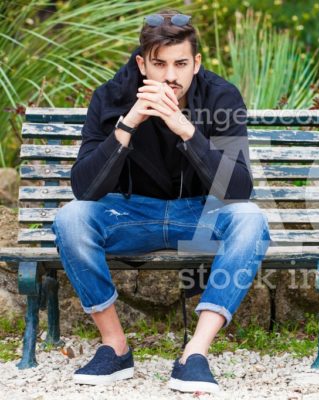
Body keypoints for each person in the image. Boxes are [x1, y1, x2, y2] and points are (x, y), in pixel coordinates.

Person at [51, 9, 271, 394]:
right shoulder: (112, 97)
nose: (171, 76)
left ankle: (195, 353)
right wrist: (127, 124)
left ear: (196, 63)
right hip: (132, 213)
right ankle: (114, 347)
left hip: (198, 214)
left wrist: (187, 131)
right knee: (71, 218)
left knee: (250, 219)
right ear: (142, 64)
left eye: (181, 64)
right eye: (160, 64)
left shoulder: (221, 96)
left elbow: (238, 189)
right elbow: (84, 190)